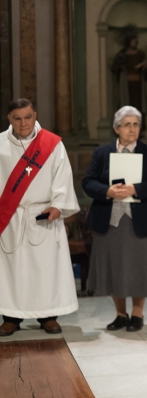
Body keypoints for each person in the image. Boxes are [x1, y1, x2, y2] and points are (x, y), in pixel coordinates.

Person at [83, 106, 147, 332]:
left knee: (139, 267)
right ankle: (120, 314)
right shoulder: (102, 153)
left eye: (136, 125)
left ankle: (137, 314)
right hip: (110, 218)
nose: (132, 129)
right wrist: (107, 191)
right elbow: (88, 182)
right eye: (127, 125)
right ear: (116, 128)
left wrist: (136, 188)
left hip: (140, 219)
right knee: (114, 267)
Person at [0, 98, 79, 336]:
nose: (23, 123)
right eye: (17, 118)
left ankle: (48, 316)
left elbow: (63, 175)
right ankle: (11, 318)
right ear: (9, 119)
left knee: (45, 269)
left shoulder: (52, 144)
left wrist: (58, 205)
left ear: (35, 115)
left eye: (27, 117)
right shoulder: (0, 144)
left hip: (43, 216)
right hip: (10, 217)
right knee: (12, 269)